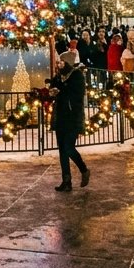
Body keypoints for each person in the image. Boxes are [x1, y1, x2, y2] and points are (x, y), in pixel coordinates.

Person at [46, 48, 90, 191]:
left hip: (72, 116)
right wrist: (51, 90)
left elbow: (77, 94)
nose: (59, 65)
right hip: (61, 116)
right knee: (62, 150)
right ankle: (66, 180)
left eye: (62, 62)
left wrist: (61, 90)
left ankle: (83, 169)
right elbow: (53, 86)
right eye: (59, 62)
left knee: (69, 148)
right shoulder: (59, 76)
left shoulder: (77, 75)